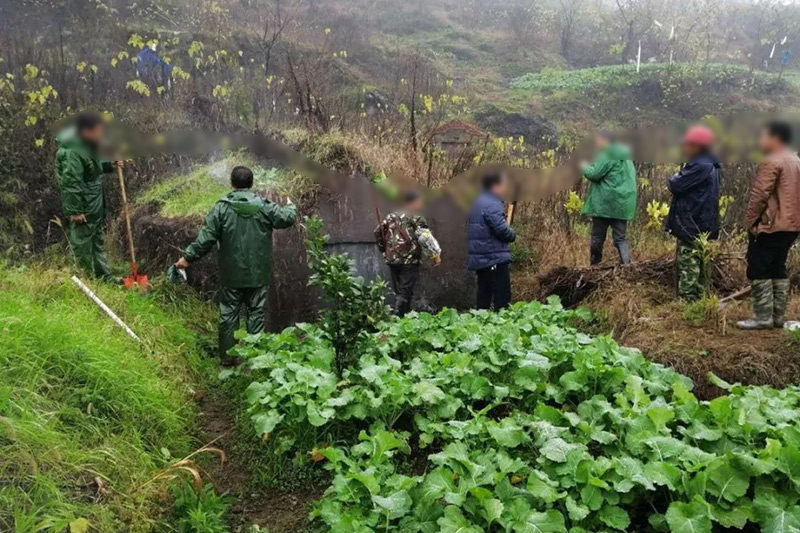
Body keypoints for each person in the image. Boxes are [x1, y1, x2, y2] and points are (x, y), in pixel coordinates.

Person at [174, 166, 297, 365]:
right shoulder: (264, 207)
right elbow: (286, 218)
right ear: (252, 184)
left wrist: (187, 258)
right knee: (256, 314)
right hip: (258, 274)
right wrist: (291, 205)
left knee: (228, 314)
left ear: (232, 184)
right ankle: (255, 359)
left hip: (231, 275)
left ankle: (228, 359)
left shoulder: (221, 208)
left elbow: (205, 239)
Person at [737, 121, 800, 330]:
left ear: (775, 138)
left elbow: (760, 195)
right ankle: (777, 317)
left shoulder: (772, 161)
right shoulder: (795, 159)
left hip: (771, 225)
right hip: (792, 226)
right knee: (777, 267)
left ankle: (763, 317)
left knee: (758, 267)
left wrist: (750, 222)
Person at [55, 111, 122, 278]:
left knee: (96, 243)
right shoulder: (72, 152)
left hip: (94, 206)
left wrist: (110, 165)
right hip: (83, 207)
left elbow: (93, 169)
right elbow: (71, 183)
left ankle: (104, 277)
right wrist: (75, 211)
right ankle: (84, 281)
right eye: (98, 131)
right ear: (86, 131)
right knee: (82, 246)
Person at [665, 125, 722, 301]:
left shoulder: (700, 164)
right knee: (702, 261)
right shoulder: (713, 163)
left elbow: (675, 184)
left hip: (692, 221)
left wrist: (676, 176)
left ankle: (687, 303)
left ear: (698, 146)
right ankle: (700, 300)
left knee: (689, 262)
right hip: (704, 221)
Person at [374, 189, 442, 316]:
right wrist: (435, 255)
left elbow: (377, 233)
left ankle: (404, 315)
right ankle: (398, 316)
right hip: (409, 259)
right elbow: (426, 237)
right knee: (406, 290)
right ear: (414, 202)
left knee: (400, 290)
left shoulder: (390, 216)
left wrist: (384, 250)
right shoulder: (415, 217)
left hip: (392, 259)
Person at [581, 129, 637, 265]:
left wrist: (583, 166)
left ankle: (595, 266)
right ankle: (627, 266)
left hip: (604, 204)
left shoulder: (607, 153)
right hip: (622, 204)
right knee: (620, 238)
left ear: (604, 140)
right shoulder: (625, 155)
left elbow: (594, 174)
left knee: (597, 237)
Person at [467, 172, 516, 310]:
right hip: (493, 256)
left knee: (484, 294)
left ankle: (482, 325)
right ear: (495, 186)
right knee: (502, 296)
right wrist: (512, 234)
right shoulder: (492, 202)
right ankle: (501, 327)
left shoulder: (478, 200)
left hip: (482, 257)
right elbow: (500, 229)